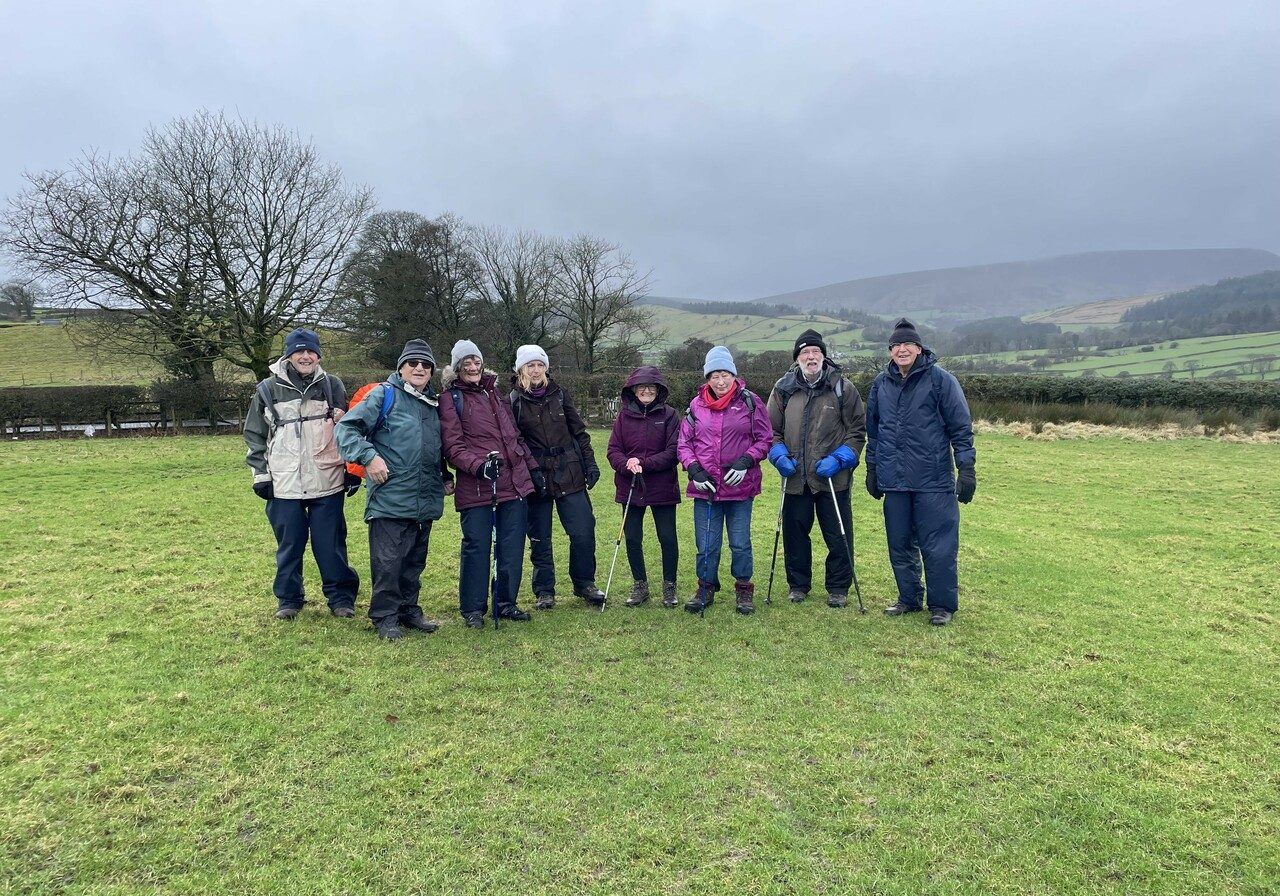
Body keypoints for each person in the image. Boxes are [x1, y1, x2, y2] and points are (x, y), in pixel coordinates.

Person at [335, 339, 454, 640]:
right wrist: (369, 457)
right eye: (413, 363)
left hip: (424, 496)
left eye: (425, 364)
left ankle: (408, 609)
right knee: (388, 562)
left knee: (415, 560)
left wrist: (443, 475)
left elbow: (432, 447)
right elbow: (345, 429)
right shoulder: (383, 396)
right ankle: (385, 616)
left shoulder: (433, 404)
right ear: (401, 367)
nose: (419, 368)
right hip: (390, 495)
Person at [865, 318, 976, 626]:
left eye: (908, 344)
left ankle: (941, 605)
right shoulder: (880, 385)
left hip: (933, 480)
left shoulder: (941, 381)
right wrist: (872, 468)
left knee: (938, 546)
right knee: (899, 543)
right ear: (890, 351)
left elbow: (960, 428)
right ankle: (909, 598)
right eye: (896, 345)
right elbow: (874, 431)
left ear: (919, 348)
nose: (902, 349)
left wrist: (966, 468)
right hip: (895, 480)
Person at [244, 327, 360, 620]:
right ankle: (289, 600)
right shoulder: (268, 389)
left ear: (318, 355)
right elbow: (254, 435)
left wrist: (352, 468)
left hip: (327, 480)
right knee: (289, 546)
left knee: (330, 545)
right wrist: (261, 475)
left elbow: (348, 430)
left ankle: (341, 599)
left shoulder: (333, 386)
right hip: (284, 483)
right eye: (299, 351)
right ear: (289, 354)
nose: (306, 356)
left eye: (311, 351)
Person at [439, 340, 537, 628]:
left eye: (476, 361)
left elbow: (514, 437)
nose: (472, 367)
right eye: (466, 363)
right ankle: (472, 609)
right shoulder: (450, 399)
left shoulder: (496, 394)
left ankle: (506, 602)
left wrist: (532, 470)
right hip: (479, 486)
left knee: (511, 546)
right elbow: (452, 446)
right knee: (477, 547)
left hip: (514, 483)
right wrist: (479, 466)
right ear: (457, 368)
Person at [766, 329, 867, 607]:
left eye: (816, 352)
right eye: (805, 353)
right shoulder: (783, 389)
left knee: (838, 534)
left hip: (833, 478)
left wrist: (841, 458)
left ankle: (838, 587)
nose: (811, 357)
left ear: (823, 356)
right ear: (797, 358)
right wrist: (778, 455)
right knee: (795, 534)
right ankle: (798, 585)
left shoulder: (843, 388)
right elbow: (769, 431)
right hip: (796, 476)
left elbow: (857, 431)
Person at [508, 345, 606, 609]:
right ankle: (544, 590)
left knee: (583, 530)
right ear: (521, 369)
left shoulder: (561, 394)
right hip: (536, 473)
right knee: (540, 536)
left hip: (569, 470)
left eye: (540, 365)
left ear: (546, 368)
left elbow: (579, 432)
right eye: (531, 365)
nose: (536, 370)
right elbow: (514, 442)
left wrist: (590, 464)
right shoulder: (513, 401)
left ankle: (585, 583)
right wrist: (530, 471)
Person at [676, 346, 772, 614]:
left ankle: (743, 589)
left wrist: (746, 460)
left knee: (740, 542)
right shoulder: (695, 406)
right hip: (705, 488)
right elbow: (684, 443)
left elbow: (764, 439)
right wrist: (694, 469)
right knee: (706, 544)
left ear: (733, 375)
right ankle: (705, 587)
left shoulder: (750, 402)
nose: (720, 381)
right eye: (715, 375)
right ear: (707, 377)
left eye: (725, 375)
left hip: (740, 488)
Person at [605, 365, 681, 608]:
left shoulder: (669, 415)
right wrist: (627, 464)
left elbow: (673, 452)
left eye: (651, 387)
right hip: (630, 486)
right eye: (642, 387)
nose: (647, 391)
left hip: (662, 486)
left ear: (659, 390)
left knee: (667, 537)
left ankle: (669, 586)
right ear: (633, 390)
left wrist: (644, 463)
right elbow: (613, 450)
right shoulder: (623, 417)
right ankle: (640, 585)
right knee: (633, 537)